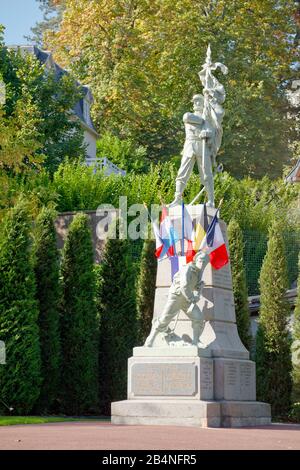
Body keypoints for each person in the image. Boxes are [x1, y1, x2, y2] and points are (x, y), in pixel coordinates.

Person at [145, 251, 209, 347]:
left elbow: (192, 285)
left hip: (187, 299)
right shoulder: (187, 268)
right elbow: (184, 286)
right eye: (200, 260)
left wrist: (198, 286)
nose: (202, 263)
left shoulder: (198, 273)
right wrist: (192, 298)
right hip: (177, 296)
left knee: (198, 318)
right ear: (195, 259)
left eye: (205, 262)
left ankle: (196, 341)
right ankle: (150, 340)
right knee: (165, 319)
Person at [169, 93, 215, 207]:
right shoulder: (190, 116)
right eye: (195, 102)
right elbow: (186, 117)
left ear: (204, 103)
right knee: (182, 173)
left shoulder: (208, 119)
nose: (196, 103)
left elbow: (212, 132)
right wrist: (203, 121)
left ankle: (211, 200)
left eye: (199, 101)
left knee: (206, 174)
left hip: (202, 146)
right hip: (189, 145)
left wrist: (207, 132)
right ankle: (177, 198)